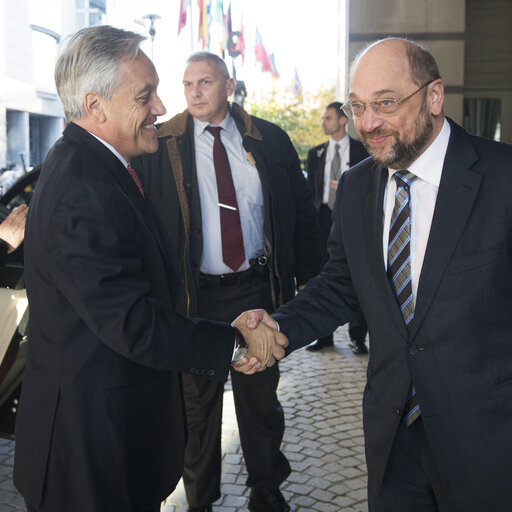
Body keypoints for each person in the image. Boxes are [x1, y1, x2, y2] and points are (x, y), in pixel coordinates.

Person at [13, 26, 286, 512]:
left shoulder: (100, 168)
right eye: (146, 95)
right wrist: (233, 341)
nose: (161, 108)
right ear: (96, 107)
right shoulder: (84, 187)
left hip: (111, 443)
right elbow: (133, 322)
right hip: (90, 459)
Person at [245, 37, 512, 512]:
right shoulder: (356, 186)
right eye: (358, 106)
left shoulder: (503, 177)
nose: (369, 124)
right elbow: (342, 285)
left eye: (386, 103)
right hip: (394, 436)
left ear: (433, 96)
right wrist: (278, 327)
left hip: (488, 438)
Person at [132, 51, 320, 512]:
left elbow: (301, 214)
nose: (195, 91)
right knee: (197, 409)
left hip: (256, 291)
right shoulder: (163, 143)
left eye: (206, 82)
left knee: (261, 403)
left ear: (229, 86)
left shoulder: (270, 140)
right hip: (194, 297)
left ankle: (266, 489)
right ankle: (200, 500)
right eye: (188, 83)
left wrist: (309, 285)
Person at [305, 101, 369, 354]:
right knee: (322, 279)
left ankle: (358, 337)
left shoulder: (362, 150)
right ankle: (323, 336)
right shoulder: (316, 153)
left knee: (357, 277)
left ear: (343, 120)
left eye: (328, 118)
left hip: (352, 221)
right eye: (323, 119)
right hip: (321, 223)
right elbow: (310, 192)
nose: (323, 123)